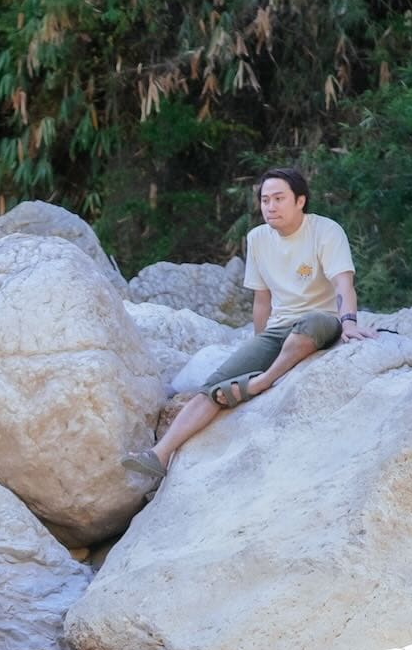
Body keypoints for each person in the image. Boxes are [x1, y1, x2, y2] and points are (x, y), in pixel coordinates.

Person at [122, 167, 373, 478]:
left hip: (321, 319)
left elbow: (343, 284)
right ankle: (158, 455)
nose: (270, 206)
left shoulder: (326, 231)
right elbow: (262, 301)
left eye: (279, 199)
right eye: (265, 200)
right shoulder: (257, 238)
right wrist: (259, 342)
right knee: (212, 387)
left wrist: (348, 323)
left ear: (300, 201)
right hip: (280, 328)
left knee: (305, 329)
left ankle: (263, 382)